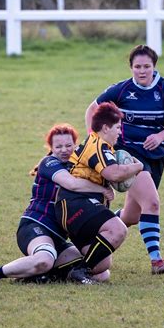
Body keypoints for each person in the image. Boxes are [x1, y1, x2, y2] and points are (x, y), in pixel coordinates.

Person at [0, 124, 114, 285]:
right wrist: (101, 189)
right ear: (51, 147)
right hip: (35, 225)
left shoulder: (78, 169)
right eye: (58, 146)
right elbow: (72, 184)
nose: (64, 150)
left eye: (68, 145)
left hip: (59, 238)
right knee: (44, 259)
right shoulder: (48, 163)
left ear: (75, 145)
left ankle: (41, 277)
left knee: (101, 271)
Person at [85, 45, 164, 274]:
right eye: (137, 67)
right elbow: (92, 109)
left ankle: (95, 233)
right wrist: (96, 140)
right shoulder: (121, 89)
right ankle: (156, 260)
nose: (142, 71)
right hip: (129, 154)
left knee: (132, 215)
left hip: (156, 156)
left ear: (154, 67)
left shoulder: (163, 89)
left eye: (146, 66)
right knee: (153, 202)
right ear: (131, 67)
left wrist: (160, 136)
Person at [55, 102, 143, 283]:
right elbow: (114, 173)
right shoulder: (97, 145)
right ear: (105, 128)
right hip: (75, 203)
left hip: (75, 207)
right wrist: (137, 166)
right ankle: (81, 271)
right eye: (118, 127)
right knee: (118, 229)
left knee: (102, 265)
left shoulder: (103, 147)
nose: (120, 132)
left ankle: (47, 275)